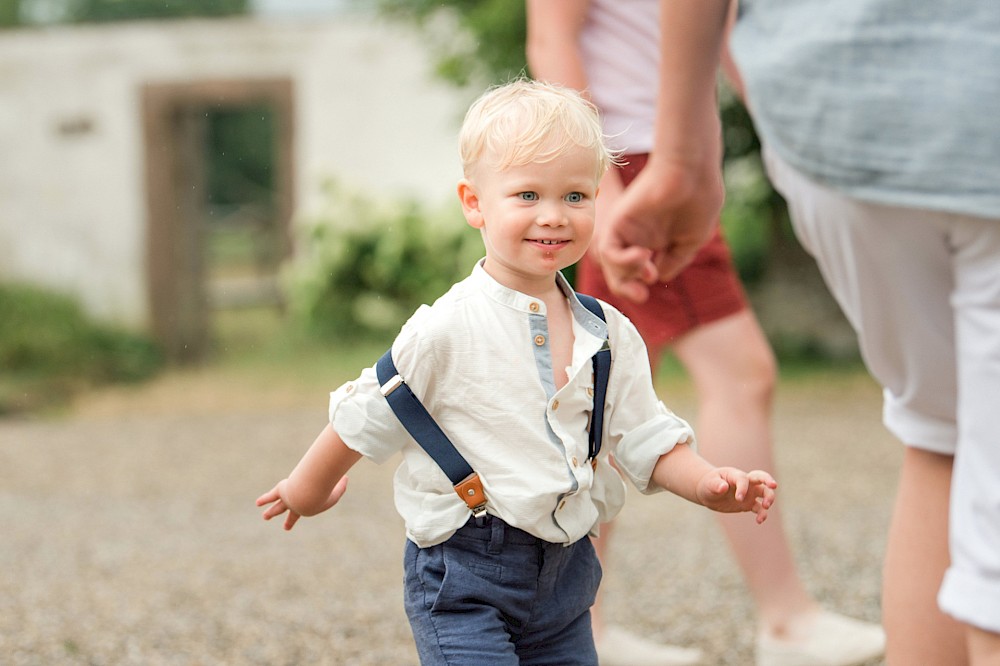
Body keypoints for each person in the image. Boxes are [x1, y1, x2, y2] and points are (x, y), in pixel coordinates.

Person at [256, 79, 778, 665]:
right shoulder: (445, 328)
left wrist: (708, 483)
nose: (553, 216)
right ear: (475, 202)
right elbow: (373, 407)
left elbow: (646, 435)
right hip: (463, 574)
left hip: (565, 578)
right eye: (527, 195)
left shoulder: (608, 334)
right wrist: (305, 490)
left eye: (576, 196)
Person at [597, 1, 1000, 664]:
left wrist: (701, 148)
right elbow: (553, 49)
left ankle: (594, 620)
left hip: (814, 127)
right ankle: (762, 618)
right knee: (617, 383)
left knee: (939, 434)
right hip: (634, 167)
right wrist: (615, 187)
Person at [524, 3, 886, 666]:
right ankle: (785, 621)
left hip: (663, 162)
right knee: (734, 376)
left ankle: (576, 631)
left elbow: (726, 35)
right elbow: (552, 38)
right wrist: (594, 190)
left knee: (602, 399)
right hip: (636, 168)